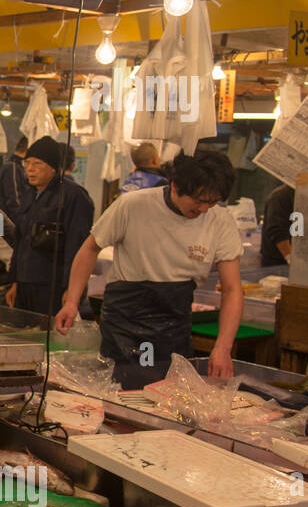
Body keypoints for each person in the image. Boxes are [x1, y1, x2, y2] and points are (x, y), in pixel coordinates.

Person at [57, 150, 242, 388]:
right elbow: (90, 249)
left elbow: (232, 289)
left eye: (213, 201)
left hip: (174, 323)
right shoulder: (133, 205)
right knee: (119, 397)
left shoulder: (220, 221)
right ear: (175, 186)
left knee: (170, 399)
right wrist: (72, 301)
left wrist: (223, 347)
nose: (205, 209)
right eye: (198, 201)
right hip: (124, 320)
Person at [6, 136, 94, 316]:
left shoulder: (73, 196)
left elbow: (77, 246)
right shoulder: (29, 194)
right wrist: (15, 281)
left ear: (53, 168)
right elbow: (20, 242)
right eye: (27, 163)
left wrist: (72, 290)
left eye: (37, 163)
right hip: (25, 285)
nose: (30, 168)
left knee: (52, 340)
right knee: (24, 337)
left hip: (53, 287)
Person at [0, 135, 33, 224]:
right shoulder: (12, 168)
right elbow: (13, 199)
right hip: (7, 222)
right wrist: (22, 223)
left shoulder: (18, 167)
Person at [259, 181, 296, 267]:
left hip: (297, 257)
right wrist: (290, 258)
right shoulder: (280, 197)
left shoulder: (305, 196)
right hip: (277, 261)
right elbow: (277, 231)